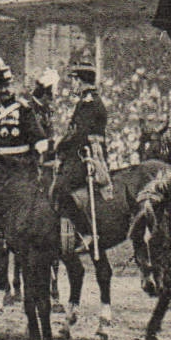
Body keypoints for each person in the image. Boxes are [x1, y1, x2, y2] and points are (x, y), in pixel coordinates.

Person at [51, 61, 107, 241]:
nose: (72, 84)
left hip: (88, 156)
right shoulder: (84, 102)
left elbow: (79, 134)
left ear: (82, 81)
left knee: (61, 187)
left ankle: (85, 230)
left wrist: (59, 145)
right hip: (79, 154)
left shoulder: (90, 103)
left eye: (74, 80)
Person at [0, 57, 50, 160]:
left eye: (6, 86)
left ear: (13, 85)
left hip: (19, 166)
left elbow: (38, 139)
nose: (3, 90)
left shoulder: (24, 109)